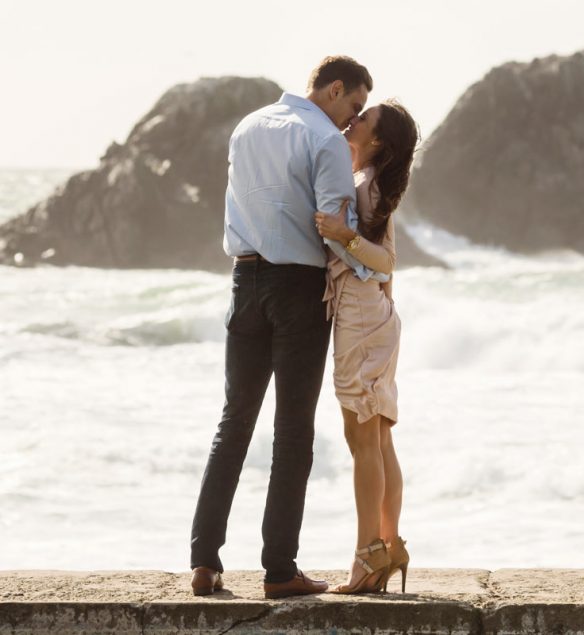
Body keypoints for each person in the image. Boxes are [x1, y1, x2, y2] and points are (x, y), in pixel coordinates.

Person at [189, 56, 373, 599]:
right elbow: (335, 227)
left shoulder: (248, 126)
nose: (352, 120)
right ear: (335, 89)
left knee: (234, 423)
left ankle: (204, 562)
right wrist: (372, 267)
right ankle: (279, 570)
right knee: (293, 431)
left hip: (243, 281)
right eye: (354, 106)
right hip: (297, 289)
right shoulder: (326, 141)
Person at [313, 99, 419, 594]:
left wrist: (341, 233)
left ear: (377, 141)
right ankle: (387, 546)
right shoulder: (372, 180)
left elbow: (386, 260)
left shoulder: (367, 186)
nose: (353, 121)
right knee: (377, 441)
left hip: (360, 319)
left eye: (364, 119)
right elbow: (384, 268)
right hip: (372, 317)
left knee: (363, 444)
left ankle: (367, 558)